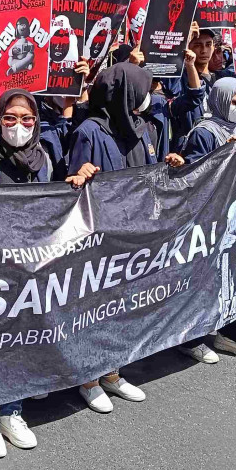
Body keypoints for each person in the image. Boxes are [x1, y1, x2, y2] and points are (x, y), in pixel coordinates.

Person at [0, 87, 97, 456]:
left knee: (19, 339)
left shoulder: (45, 156)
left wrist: (76, 177)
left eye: (27, 119)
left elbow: (54, 199)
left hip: (29, 266)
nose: (19, 126)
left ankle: (12, 410)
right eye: (10, 118)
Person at [65, 59, 182, 412]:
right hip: (100, 237)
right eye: (141, 90)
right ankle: (87, 378)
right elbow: (72, 188)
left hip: (136, 234)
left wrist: (170, 164)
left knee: (122, 306)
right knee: (95, 307)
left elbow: (151, 170)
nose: (148, 97)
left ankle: (113, 371)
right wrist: (80, 174)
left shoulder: (143, 127)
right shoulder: (89, 131)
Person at [176, 76, 236, 362]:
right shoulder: (204, 131)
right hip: (210, 214)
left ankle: (230, 334)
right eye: (234, 101)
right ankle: (192, 338)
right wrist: (227, 153)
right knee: (206, 276)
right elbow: (197, 175)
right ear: (220, 100)